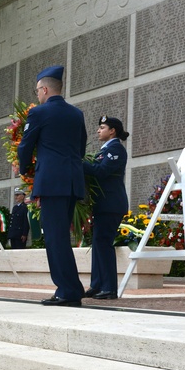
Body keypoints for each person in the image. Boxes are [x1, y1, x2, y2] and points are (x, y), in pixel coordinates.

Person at [17, 65, 87, 307]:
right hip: (71, 182)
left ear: (45, 89)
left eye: (37, 90)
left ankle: (68, 290)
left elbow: (25, 146)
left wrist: (23, 168)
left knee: (55, 239)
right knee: (60, 237)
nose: (37, 95)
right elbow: (81, 148)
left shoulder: (39, 113)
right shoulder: (76, 114)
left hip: (51, 184)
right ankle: (71, 287)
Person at [83, 116, 130, 300]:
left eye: (102, 127)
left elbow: (102, 172)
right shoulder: (105, 150)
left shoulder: (116, 148)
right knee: (98, 244)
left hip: (111, 204)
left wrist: (78, 163)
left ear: (112, 131)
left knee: (104, 244)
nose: (98, 130)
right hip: (103, 204)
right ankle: (97, 285)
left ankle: (109, 288)